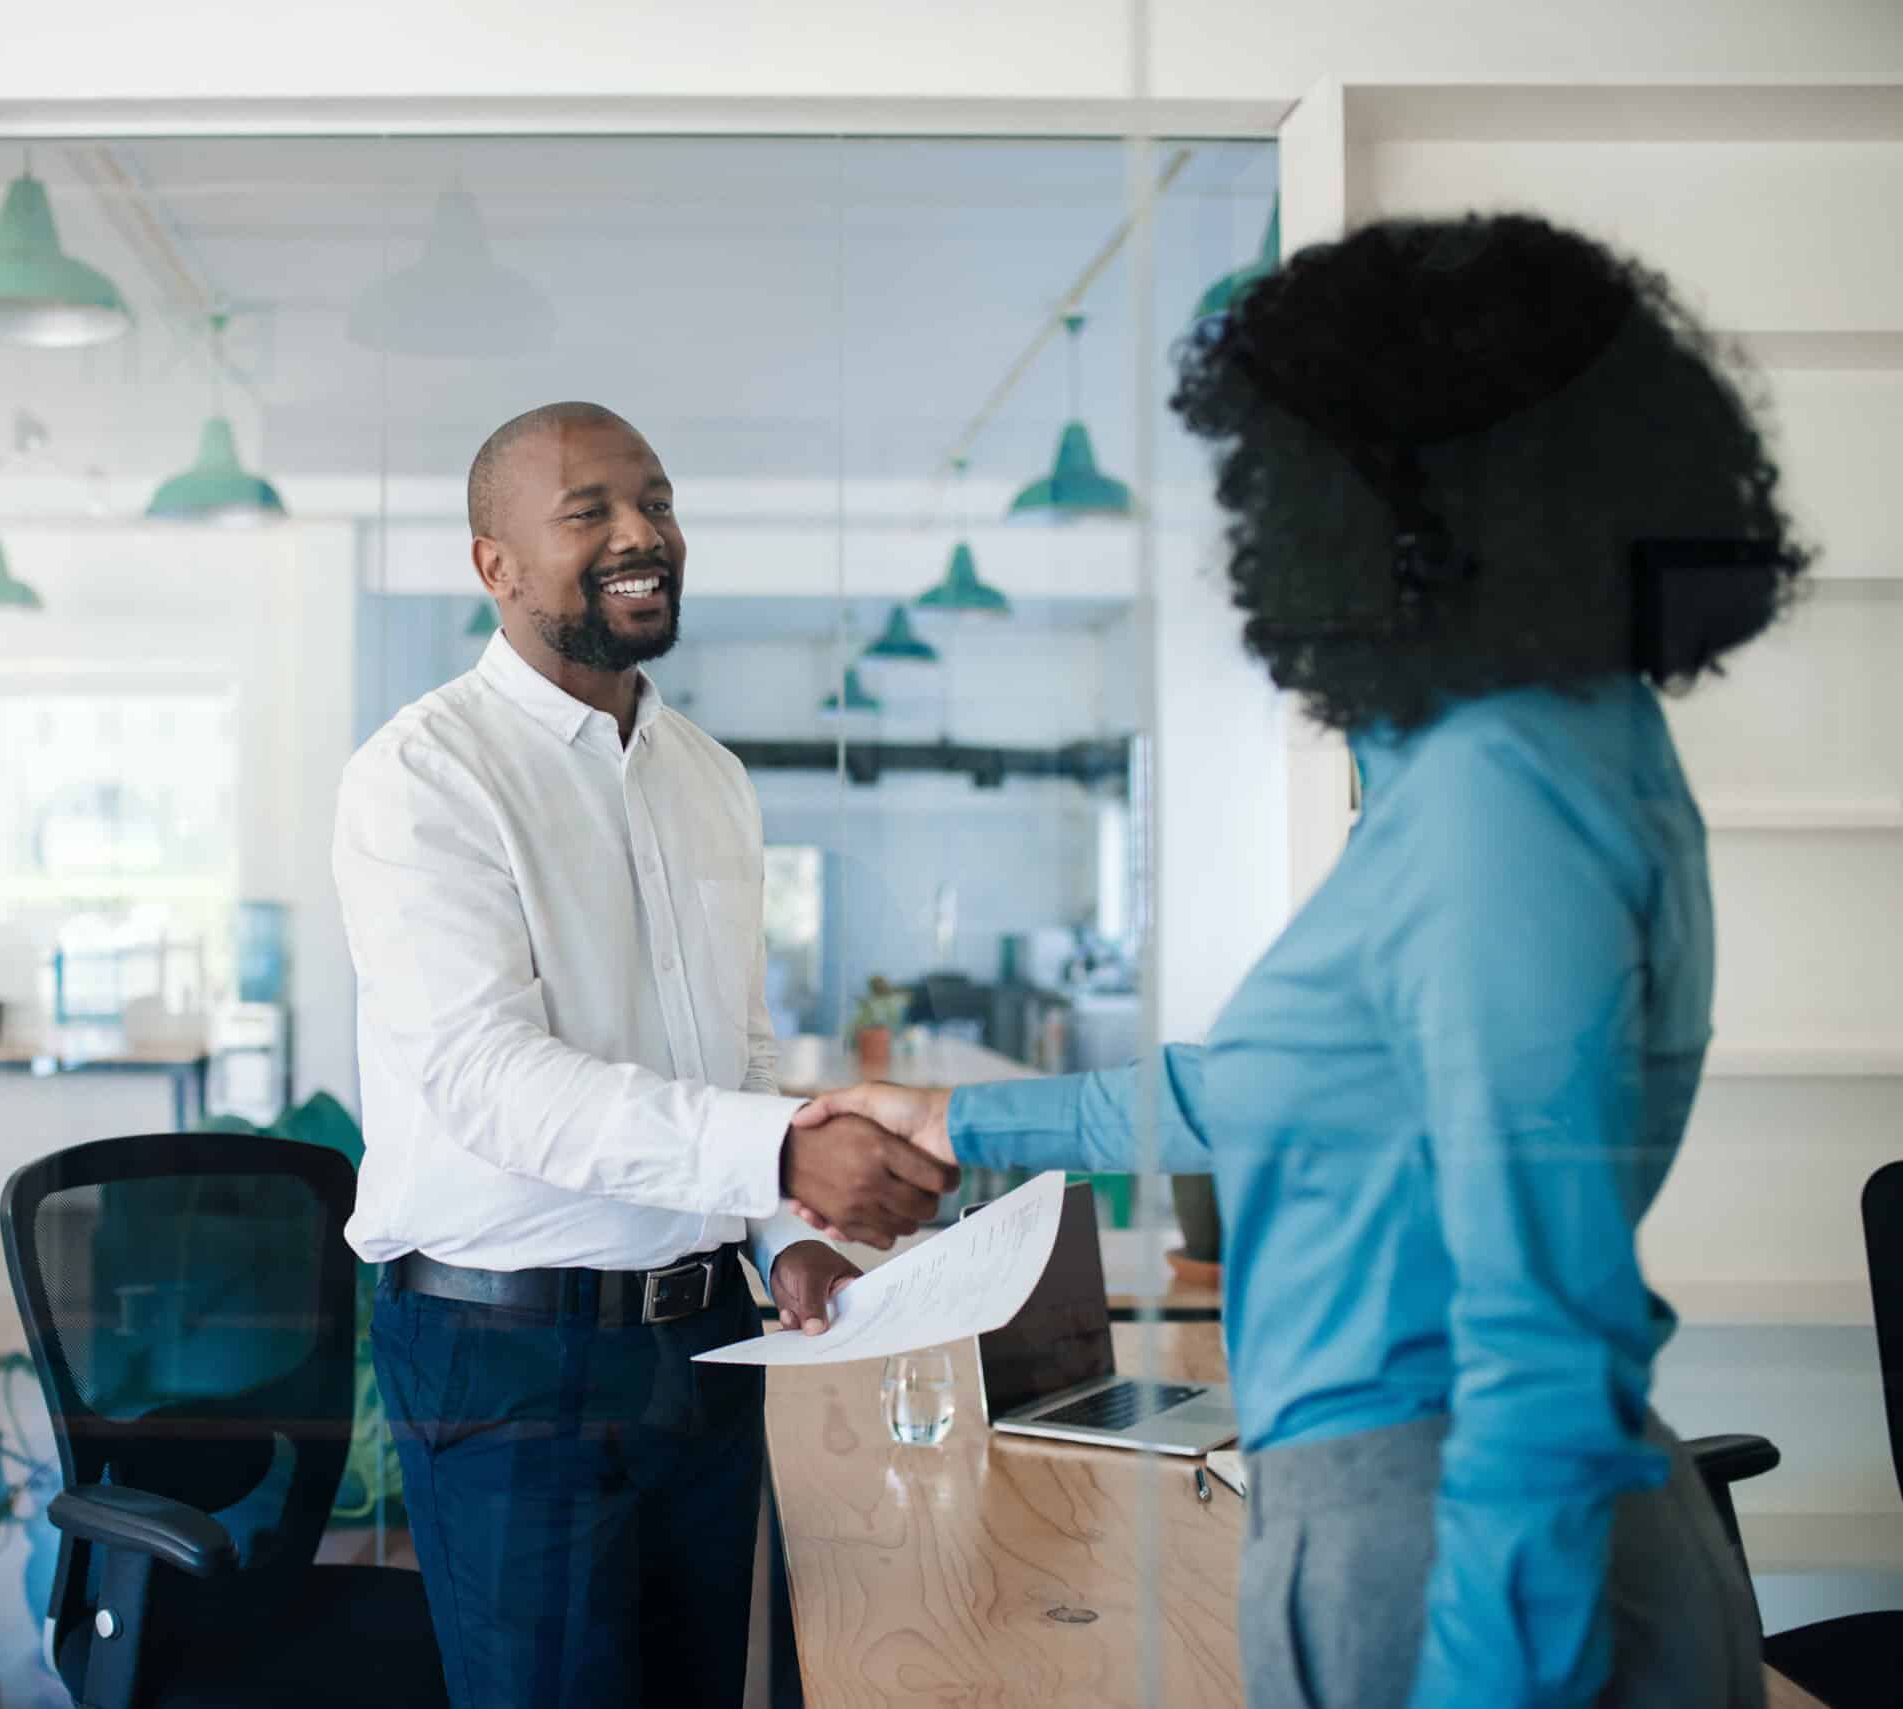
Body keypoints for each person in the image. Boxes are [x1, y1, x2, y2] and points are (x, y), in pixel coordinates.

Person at [799, 215, 1805, 1709]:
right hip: (1407, 1510)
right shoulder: (1514, 749)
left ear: (1413, 492)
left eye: (1284, 473)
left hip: (1456, 1540)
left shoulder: (1502, 794)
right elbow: (1295, 1087)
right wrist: (963, 1122)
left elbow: (1540, 1335)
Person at [333, 400, 957, 1708]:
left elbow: (728, 1047)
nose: (642, 535)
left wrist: (773, 1224)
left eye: (657, 503)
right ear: (493, 564)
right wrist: (782, 1148)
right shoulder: (423, 777)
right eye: (590, 511)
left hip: (703, 1349)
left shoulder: (708, 777)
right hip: (504, 1356)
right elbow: (488, 1079)